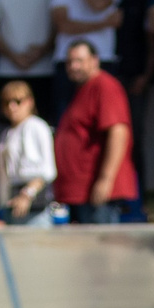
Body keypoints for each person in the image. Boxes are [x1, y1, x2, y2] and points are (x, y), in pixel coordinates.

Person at [51, 39, 134, 223]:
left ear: (95, 60)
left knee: (103, 250)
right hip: (80, 192)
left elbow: (119, 132)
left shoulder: (105, 86)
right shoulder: (80, 90)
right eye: (70, 62)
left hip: (97, 193)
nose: (74, 66)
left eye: (79, 60)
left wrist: (106, 179)